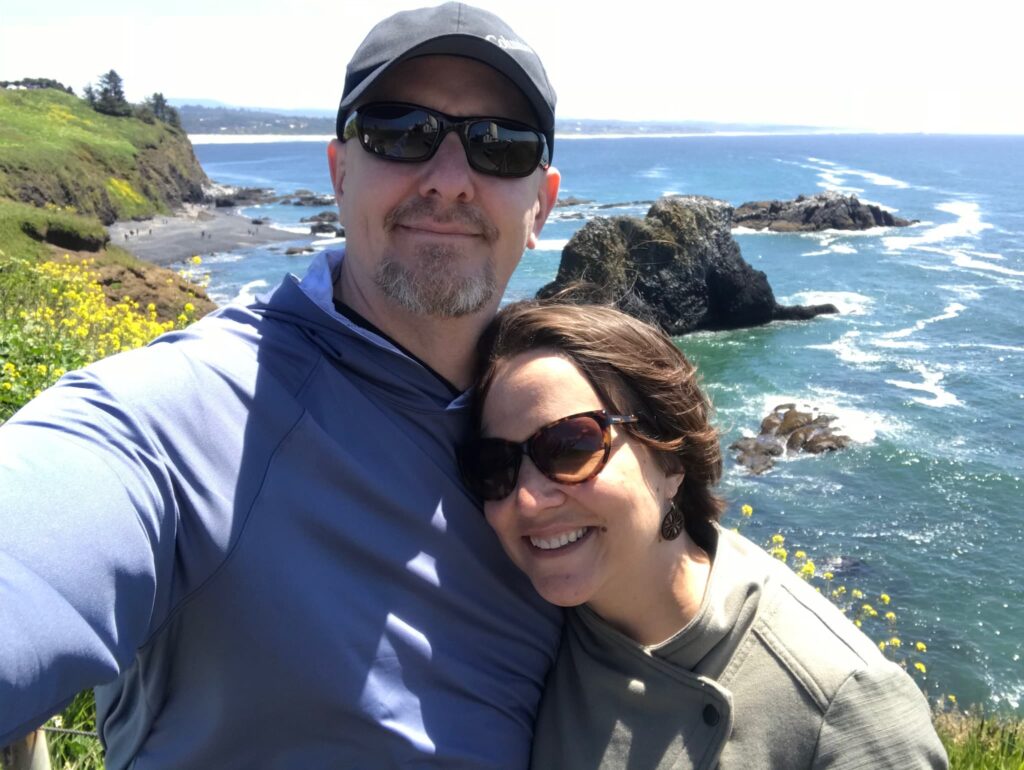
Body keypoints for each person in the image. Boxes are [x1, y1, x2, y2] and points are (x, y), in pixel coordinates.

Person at [0, 4, 562, 768]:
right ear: (338, 173)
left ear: (544, 205)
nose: (451, 181)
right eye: (402, 133)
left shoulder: (564, 437)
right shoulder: (196, 412)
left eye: (500, 146)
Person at [459, 300, 948, 769]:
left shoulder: (845, 705)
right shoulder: (521, 627)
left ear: (670, 459)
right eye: (495, 466)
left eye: (570, 446)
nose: (526, 499)